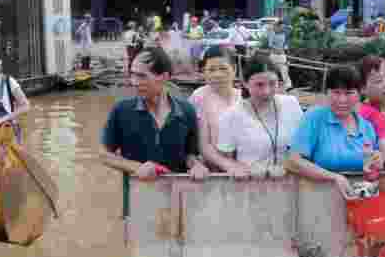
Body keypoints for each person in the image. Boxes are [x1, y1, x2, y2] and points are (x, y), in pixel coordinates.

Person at [101, 46, 208, 183]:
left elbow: (190, 154)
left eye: (142, 76)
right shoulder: (122, 110)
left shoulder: (186, 111)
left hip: (177, 194)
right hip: (137, 194)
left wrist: (197, 166)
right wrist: (137, 167)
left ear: (164, 77)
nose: (134, 82)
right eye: (132, 74)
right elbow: (104, 155)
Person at [286, 66, 382, 199]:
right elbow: (293, 161)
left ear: (359, 94)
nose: (342, 100)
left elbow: (373, 170)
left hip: (359, 205)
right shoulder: (315, 118)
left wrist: (377, 162)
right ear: (327, 92)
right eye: (336, 92)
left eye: (348, 93)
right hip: (318, 203)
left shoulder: (367, 128)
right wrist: (334, 177)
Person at [215, 60, 304, 178]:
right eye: (259, 85)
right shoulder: (230, 116)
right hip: (251, 184)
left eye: (272, 83)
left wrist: (288, 164)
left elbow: (302, 145)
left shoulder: (291, 104)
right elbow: (226, 158)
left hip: (290, 181)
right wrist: (237, 168)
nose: (266, 91)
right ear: (245, 83)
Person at [189, 46, 242, 171]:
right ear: (204, 72)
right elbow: (204, 145)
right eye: (211, 70)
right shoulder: (200, 97)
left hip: (246, 168)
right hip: (212, 171)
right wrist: (229, 165)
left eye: (223, 68)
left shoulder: (242, 97)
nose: (217, 74)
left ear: (234, 69)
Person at [266, 20, 292, 91]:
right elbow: (270, 45)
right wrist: (277, 49)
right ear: (276, 27)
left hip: (282, 55)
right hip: (274, 55)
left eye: (282, 27)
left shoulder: (283, 33)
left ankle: (288, 86)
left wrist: (284, 49)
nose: (281, 28)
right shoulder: (272, 33)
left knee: (284, 69)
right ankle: (270, 84)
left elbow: (290, 28)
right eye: (280, 27)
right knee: (272, 71)